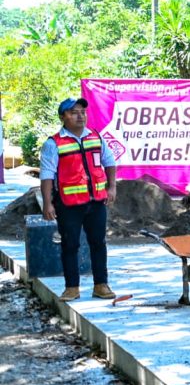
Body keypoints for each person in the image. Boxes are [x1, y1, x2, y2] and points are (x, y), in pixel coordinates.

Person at [40, 98, 117, 302]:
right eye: (74, 112)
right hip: (68, 204)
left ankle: (101, 285)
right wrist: (47, 203)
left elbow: (109, 162)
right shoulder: (53, 144)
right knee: (70, 244)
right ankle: (71, 288)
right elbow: (47, 175)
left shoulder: (96, 137)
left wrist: (112, 187)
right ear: (63, 117)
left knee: (98, 243)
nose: (80, 116)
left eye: (83, 111)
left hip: (96, 202)